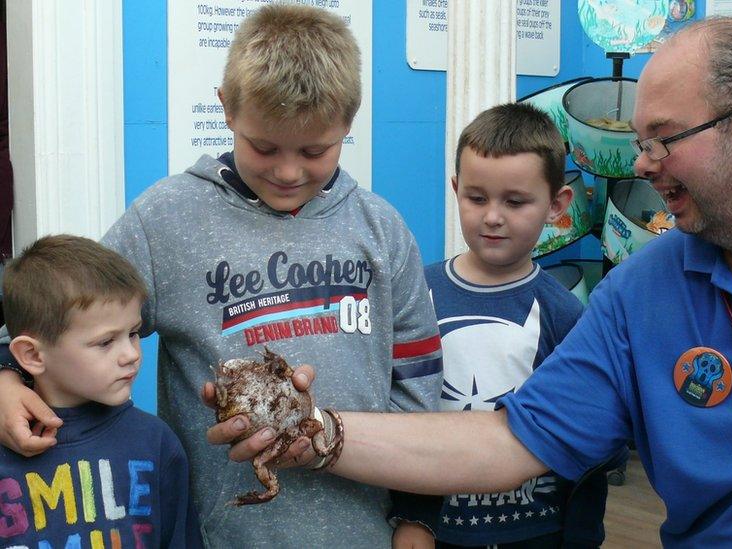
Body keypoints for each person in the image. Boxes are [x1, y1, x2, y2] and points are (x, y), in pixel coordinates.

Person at [212, 16, 732, 547]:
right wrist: (318, 433)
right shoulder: (642, 295)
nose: (640, 165)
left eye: (661, 141)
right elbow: (509, 439)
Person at [0, 5, 443, 548]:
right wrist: (4, 376)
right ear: (227, 108)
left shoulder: (382, 230)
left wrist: (419, 517)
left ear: (348, 125)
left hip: (366, 532)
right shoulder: (164, 220)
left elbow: (420, 387)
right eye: (264, 147)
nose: (287, 171)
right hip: (220, 534)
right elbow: (54, 316)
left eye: (314, 150)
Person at [393, 103, 618, 549]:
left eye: (515, 202)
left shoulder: (565, 315)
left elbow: (585, 441)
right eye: (477, 198)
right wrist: (408, 516)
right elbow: (398, 413)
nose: (493, 216)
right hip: (436, 528)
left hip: (536, 529)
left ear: (557, 205)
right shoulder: (416, 294)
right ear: (456, 190)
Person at [0, 235, 202, 548]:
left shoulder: (156, 442)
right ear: (33, 355)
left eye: (133, 334)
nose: (131, 354)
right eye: (106, 342)